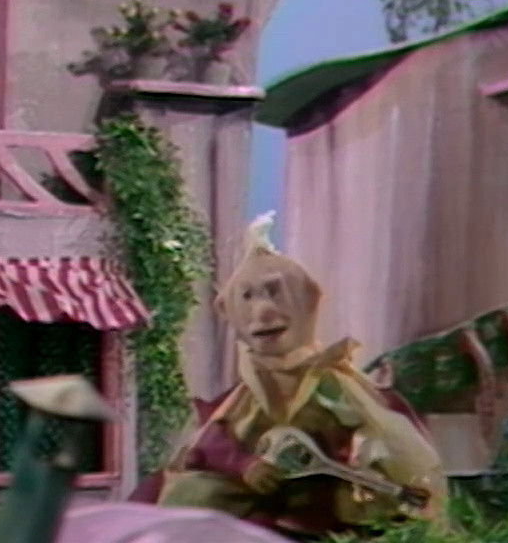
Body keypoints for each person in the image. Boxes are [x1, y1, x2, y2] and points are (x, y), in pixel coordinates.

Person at [142, 213, 449, 538]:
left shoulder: (338, 388)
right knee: (188, 495)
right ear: (227, 310)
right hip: (260, 514)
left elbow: (381, 440)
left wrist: (363, 464)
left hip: (325, 513)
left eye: (276, 292)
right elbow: (210, 446)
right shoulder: (241, 401)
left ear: (309, 299)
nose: (263, 311)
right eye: (247, 297)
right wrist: (245, 466)